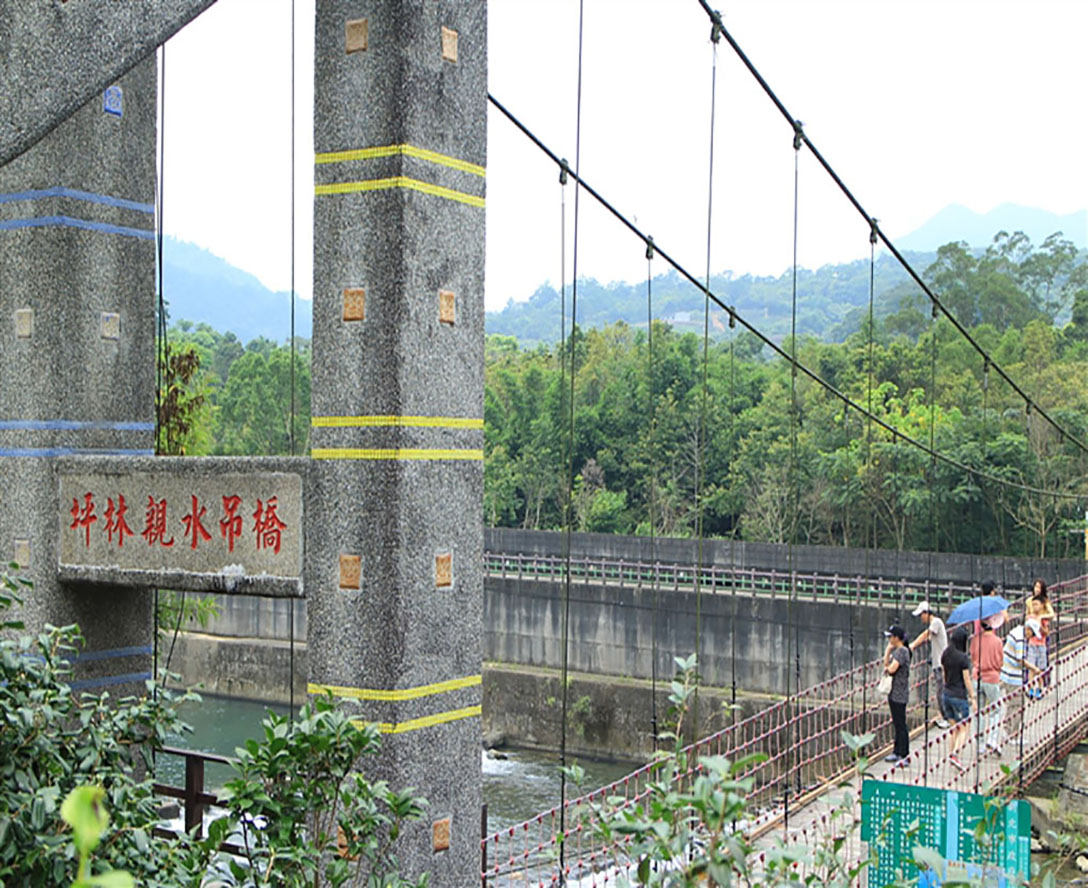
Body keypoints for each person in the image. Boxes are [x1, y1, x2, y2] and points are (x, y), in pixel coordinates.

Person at [909, 600, 950, 729]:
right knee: (941, 690)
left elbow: (925, 635)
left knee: (941, 691)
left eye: (921, 615)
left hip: (941, 664)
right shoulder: (935, 624)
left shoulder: (936, 622)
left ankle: (945, 718)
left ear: (927, 613)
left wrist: (912, 646)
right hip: (939, 662)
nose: (921, 618)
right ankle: (945, 716)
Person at [941, 625, 977, 772]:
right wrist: (973, 697)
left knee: (954, 728)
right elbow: (967, 679)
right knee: (965, 728)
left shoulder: (946, 654)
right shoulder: (963, 658)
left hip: (946, 695)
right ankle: (956, 754)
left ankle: (951, 754)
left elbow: (944, 675)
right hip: (959, 697)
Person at [1000, 620, 1043, 740]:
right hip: (1012, 676)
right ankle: (1012, 734)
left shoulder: (1016, 631)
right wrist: (1034, 668)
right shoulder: (1020, 639)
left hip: (1007, 673)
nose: (1032, 637)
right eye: (1032, 634)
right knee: (1018, 705)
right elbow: (1020, 659)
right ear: (1028, 629)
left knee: (1012, 705)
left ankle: (1008, 731)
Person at [970, 619, 1004, 754]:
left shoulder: (975, 640)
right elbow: (1000, 662)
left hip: (977, 677)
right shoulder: (998, 642)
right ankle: (993, 739)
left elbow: (972, 657)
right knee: (996, 709)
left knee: (979, 711)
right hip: (992, 678)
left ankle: (980, 744)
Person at [883, 624, 912, 764]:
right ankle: (897, 751)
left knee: (901, 724)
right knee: (897, 723)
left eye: (890, 637)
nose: (889, 639)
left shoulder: (902, 651)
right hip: (895, 693)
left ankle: (904, 754)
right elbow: (886, 665)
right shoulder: (899, 651)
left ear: (896, 638)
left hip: (899, 693)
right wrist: (888, 651)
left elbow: (891, 669)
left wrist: (888, 667)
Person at [1027, 579, 1055, 678]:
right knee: (1031, 661)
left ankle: (1043, 682)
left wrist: (1041, 617)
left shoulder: (1045, 601)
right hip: (1032, 635)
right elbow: (1027, 614)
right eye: (1036, 587)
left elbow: (1052, 614)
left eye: (1039, 587)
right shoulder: (1029, 601)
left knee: (1042, 661)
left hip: (1042, 632)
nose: (1037, 589)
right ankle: (1030, 684)